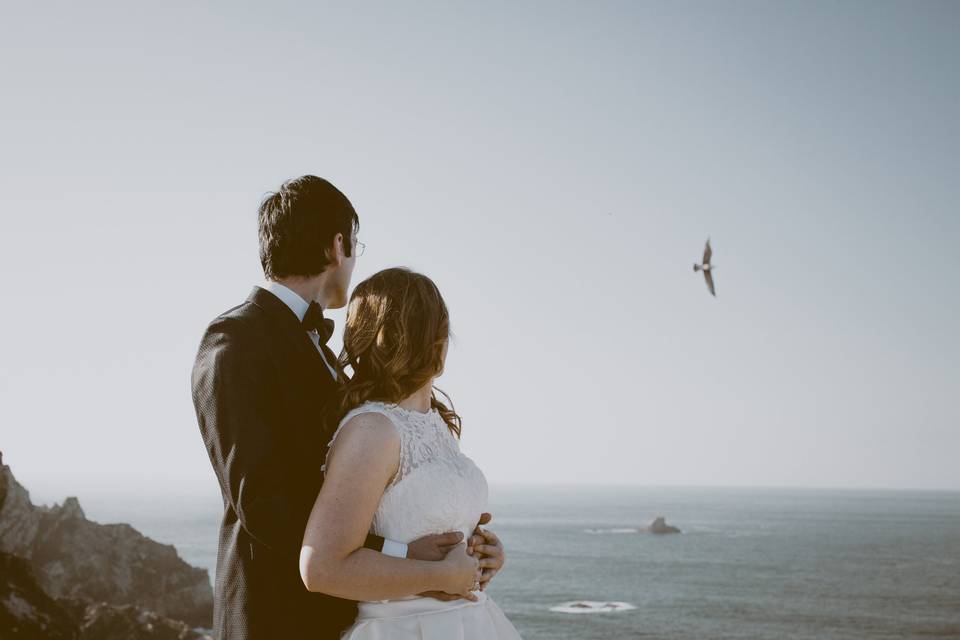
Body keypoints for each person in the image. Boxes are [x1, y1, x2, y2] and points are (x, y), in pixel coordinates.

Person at [191, 176, 505, 639]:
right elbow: (262, 504)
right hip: (276, 614)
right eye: (356, 244)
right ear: (339, 245)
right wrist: (399, 552)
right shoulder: (236, 341)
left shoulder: (319, 347)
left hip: (346, 613)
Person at [300, 267, 521, 639]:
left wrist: (484, 556)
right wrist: (443, 576)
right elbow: (322, 567)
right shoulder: (372, 430)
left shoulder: (437, 424)